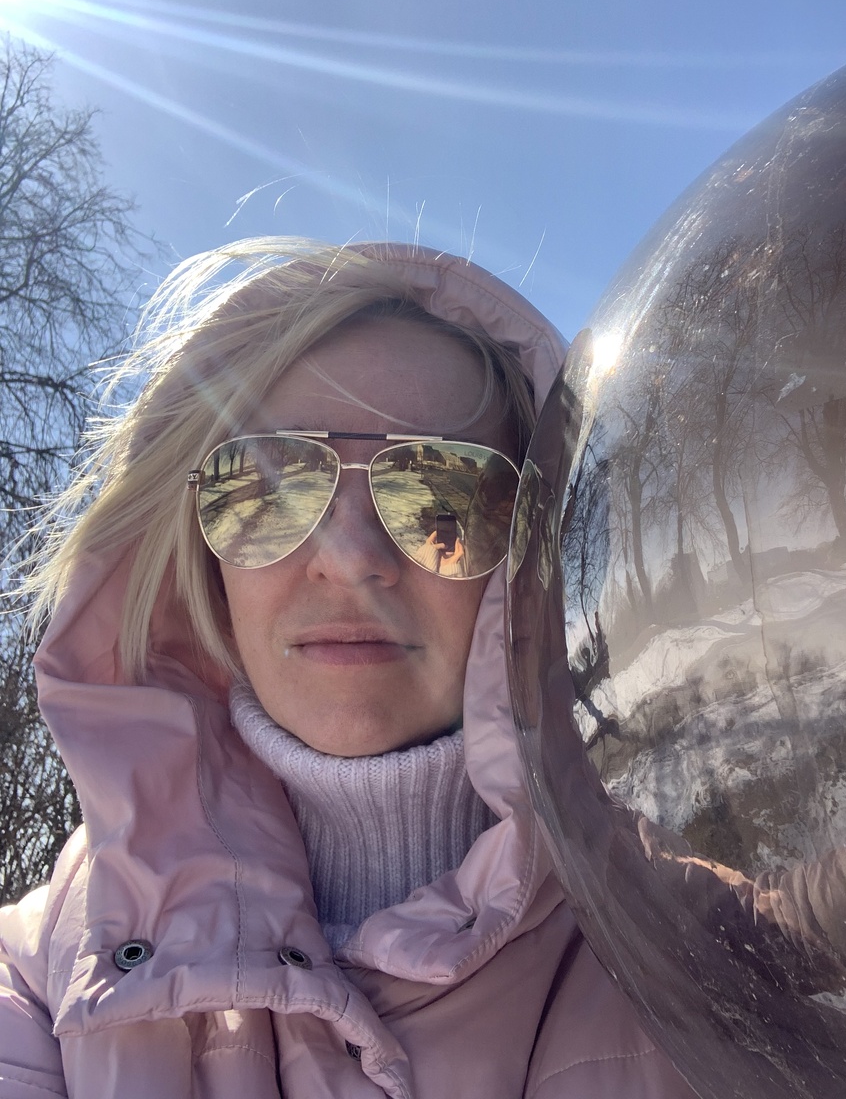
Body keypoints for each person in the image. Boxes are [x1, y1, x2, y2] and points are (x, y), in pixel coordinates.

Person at [0, 238, 695, 1098]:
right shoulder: (47, 975)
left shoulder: (694, 950)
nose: (351, 556)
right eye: (269, 489)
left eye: (444, 495)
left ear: (534, 557)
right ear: (202, 561)